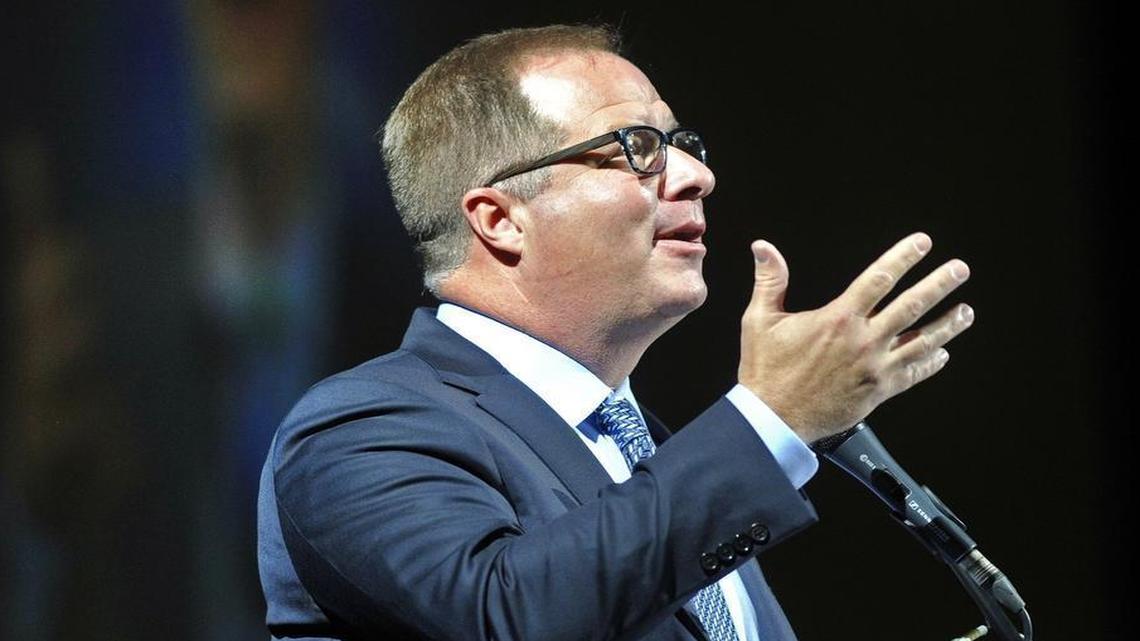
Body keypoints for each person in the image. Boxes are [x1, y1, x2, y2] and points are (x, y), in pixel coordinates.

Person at [257, 24, 974, 641]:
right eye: (637, 145)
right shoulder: (361, 428)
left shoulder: (648, 453)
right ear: (501, 220)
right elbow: (506, 618)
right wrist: (769, 419)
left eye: (681, 143)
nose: (696, 175)